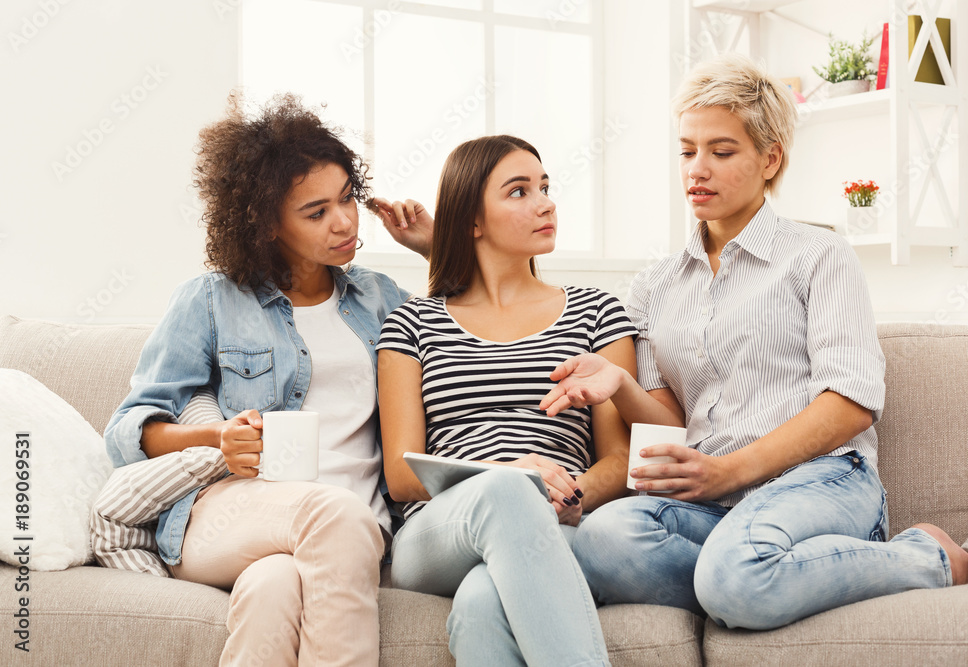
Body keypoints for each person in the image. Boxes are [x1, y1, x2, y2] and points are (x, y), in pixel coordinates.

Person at [538, 53, 968, 630]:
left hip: (824, 480)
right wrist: (621, 386)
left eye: (721, 152)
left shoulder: (819, 257)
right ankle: (753, 576)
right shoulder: (654, 285)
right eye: (687, 150)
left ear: (770, 158)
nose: (696, 168)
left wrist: (728, 472)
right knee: (600, 537)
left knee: (733, 573)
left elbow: (850, 403)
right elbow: (669, 418)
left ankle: (926, 558)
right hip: (713, 505)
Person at [103, 93, 432, 666]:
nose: (345, 221)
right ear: (266, 223)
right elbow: (130, 429)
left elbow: (469, 347)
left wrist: (434, 251)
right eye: (316, 211)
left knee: (273, 586)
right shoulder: (211, 300)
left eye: (348, 198)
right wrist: (216, 438)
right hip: (233, 516)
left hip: (352, 534)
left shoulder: (380, 299)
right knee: (334, 513)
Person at [376, 135, 635, 666]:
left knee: (481, 602)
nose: (545, 203)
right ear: (472, 220)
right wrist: (514, 476)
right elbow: (403, 476)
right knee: (505, 492)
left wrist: (565, 494)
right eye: (518, 191)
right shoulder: (412, 322)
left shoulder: (598, 313)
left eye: (545, 186)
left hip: (555, 519)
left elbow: (622, 459)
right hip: (437, 530)